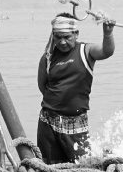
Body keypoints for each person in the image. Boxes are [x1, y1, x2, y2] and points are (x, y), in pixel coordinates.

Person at [36, 13, 114, 163]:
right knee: (49, 166)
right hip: (48, 121)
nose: (62, 42)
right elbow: (42, 86)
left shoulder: (86, 51)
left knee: (82, 165)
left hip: (75, 123)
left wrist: (108, 33)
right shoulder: (47, 58)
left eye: (67, 37)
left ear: (76, 34)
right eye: (58, 37)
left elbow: (107, 51)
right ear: (53, 36)